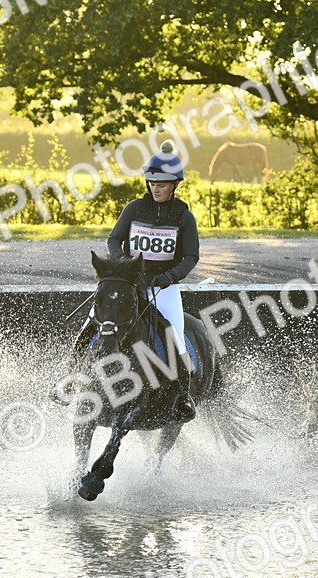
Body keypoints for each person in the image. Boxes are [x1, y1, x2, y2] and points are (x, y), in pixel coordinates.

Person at [105, 140, 200, 421]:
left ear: (174, 185)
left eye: (161, 184)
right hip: (131, 283)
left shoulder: (184, 217)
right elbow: (114, 240)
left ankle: (183, 395)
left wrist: (169, 277)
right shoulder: (134, 209)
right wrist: (124, 267)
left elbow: (191, 257)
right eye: (151, 183)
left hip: (165, 287)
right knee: (92, 320)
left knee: (177, 337)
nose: (155, 188)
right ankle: (71, 378)